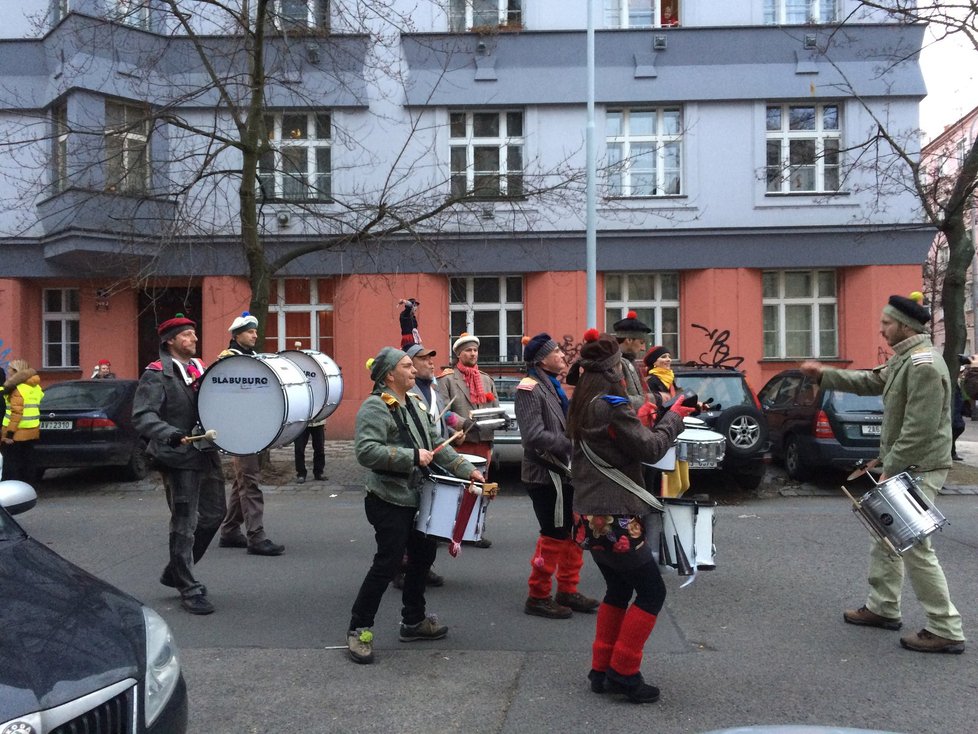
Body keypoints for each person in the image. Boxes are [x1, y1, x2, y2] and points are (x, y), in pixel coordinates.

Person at [800, 294, 966, 654]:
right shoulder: (906, 359)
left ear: (904, 326)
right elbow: (870, 383)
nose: (881, 329)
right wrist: (824, 375)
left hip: (918, 466)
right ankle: (883, 607)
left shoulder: (922, 365)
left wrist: (892, 466)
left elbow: (919, 429)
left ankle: (946, 627)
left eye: (886, 324)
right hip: (910, 464)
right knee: (887, 538)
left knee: (916, 545)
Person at [567, 330, 693, 703]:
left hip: (589, 513)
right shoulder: (613, 403)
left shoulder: (583, 401)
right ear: (613, 370)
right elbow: (651, 448)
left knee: (619, 588)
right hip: (617, 515)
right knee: (652, 592)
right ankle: (624, 672)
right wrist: (674, 420)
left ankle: (601, 668)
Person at [346, 346, 484, 665]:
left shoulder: (417, 403)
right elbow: (365, 452)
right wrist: (409, 457)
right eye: (407, 366)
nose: (414, 370)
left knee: (422, 558)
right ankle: (359, 629)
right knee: (388, 563)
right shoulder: (374, 407)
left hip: (417, 495)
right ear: (389, 374)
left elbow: (436, 446)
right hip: (387, 498)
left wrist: (469, 470)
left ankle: (413, 621)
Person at [132, 314, 227, 615]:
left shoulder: (200, 368)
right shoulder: (156, 374)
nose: (194, 339)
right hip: (177, 456)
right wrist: (169, 434)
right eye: (186, 335)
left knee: (215, 514)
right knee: (185, 523)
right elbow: (143, 416)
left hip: (205, 452)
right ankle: (187, 586)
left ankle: (175, 571)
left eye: (194, 334)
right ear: (170, 341)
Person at [515, 332, 599, 619]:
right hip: (543, 474)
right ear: (542, 360)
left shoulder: (552, 386)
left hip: (564, 472)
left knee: (573, 532)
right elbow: (533, 436)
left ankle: (567, 590)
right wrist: (572, 446)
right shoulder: (528, 389)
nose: (564, 356)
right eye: (557, 353)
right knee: (553, 534)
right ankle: (537, 596)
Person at [216, 312, 285, 556]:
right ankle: (256, 536)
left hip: (254, 427)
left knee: (241, 480)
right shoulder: (228, 360)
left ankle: (230, 530)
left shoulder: (252, 358)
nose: (255, 334)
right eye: (249, 331)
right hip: (239, 429)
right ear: (236, 335)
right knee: (250, 481)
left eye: (255, 331)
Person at [437, 332, 499, 548]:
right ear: (458, 354)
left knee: (483, 489)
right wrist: (463, 425)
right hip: (460, 443)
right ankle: (447, 531)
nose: (473, 354)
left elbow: (494, 410)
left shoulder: (486, 379)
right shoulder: (446, 380)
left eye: (475, 350)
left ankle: (476, 531)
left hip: (484, 442)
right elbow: (442, 412)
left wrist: (498, 422)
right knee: (458, 489)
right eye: (468, 351)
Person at [2, 359, 43, 484]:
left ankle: (12, 490)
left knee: (11, 464)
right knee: (28, 462)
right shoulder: (34, 387)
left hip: (16, 433)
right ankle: (28, 487)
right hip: (31, 430)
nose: (8, 371)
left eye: (10, 368)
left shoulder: (17, 389)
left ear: (15, 371)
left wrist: (9, 434)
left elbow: (16, 413)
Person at [612, 311, 651, 409]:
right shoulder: (614, 363)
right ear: (628, 340)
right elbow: (618, 399)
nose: (643, 348)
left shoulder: (631, 362)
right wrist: (657, 399)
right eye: (641, 342)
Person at [294, 418, 326, 483]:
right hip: (302, 422)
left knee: (319, 448)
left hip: (318, 421)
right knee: (299, 448)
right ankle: (301, 474)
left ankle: (318, 472)